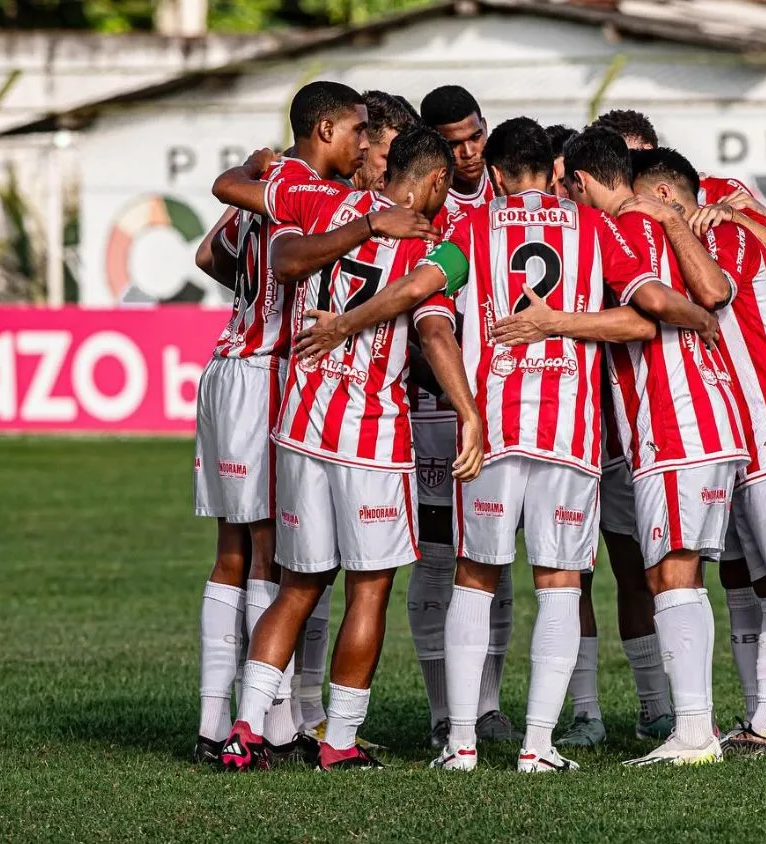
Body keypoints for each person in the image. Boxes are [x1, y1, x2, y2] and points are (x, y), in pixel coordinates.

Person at [220, 125, 484, 772]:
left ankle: (246, 728)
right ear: (434, 182)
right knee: (369, 590)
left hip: (301, 426)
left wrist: (345, 291)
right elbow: (434, 329)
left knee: (298, 586)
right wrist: (468, 412)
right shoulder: (441, 246)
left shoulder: (322, 202)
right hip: (370, 438)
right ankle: (338, 739)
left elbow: (282, 260)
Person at [419, 117, 667, 773]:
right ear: (553, 172)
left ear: (496, 175)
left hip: (490, 430)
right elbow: (642, 318)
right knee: (559, 583)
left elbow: (427, 301)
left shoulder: (469, 230)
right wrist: (566, 325)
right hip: (570, 435)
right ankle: (538, 746)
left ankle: (463, 744)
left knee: (474, 579)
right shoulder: (593, 228)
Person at [526, 126, 745, 766]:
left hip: (673, 422)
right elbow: (715, 291)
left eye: (571, 187)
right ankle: (689, 726)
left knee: (672, 576)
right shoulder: (669, 224)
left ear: (586, 182)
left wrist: (555, 322)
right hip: (713, 416)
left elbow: (651, 306)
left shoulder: (615, 230)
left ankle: (694, 733)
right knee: (676, 575)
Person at [631, 147, 766, 756]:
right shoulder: (710, 226)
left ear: (669, 197)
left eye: (642, 199)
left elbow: (722, 290)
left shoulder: (716, 232)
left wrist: (721, 217)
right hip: (750, 438)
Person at [191, 81, 373, 766]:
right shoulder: (301, 189)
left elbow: (210, 256)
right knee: (276, 554)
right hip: (265, 372)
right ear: (324, 129)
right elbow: (290, 258)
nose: (362, 142)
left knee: (234, 553)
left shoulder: (266, 179)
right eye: (357, 129)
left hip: (226, 364)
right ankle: (266, 725)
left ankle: (217, 722)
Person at [409, 84, 518, 746]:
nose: (470, 151)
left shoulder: (513, 203)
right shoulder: (427, 215)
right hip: (433, 409)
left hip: (505, 412)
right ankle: (440, 709)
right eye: (454, 144)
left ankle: (487, 704)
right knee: (436, 557)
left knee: (494, 557)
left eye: (476, 134)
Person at [592, 108, 766, 289]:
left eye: (633, 159)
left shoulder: (722, 193)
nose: (625, 172)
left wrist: (736, 217)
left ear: (651, 151)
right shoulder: (612, 211)